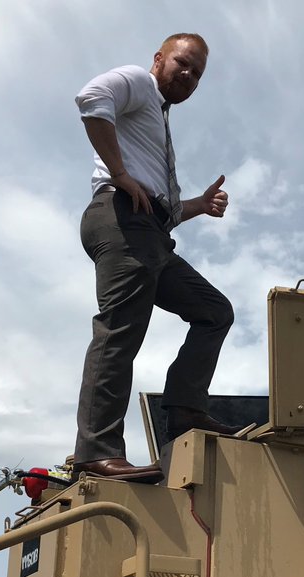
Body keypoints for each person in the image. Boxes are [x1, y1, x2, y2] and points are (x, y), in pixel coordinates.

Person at [72, 33, 239, 483]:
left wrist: (199, 205)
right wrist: (119, 173)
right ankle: (96, 451)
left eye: (197, 73)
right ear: (159, 58)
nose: (189, 75)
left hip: (150, 231)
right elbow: (92, 98)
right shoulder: (138, 82)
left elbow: (161, 207)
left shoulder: (156, 117)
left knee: (214, 311)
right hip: (121, 218)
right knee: (121, 328)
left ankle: (185, 410)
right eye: (183, 63)